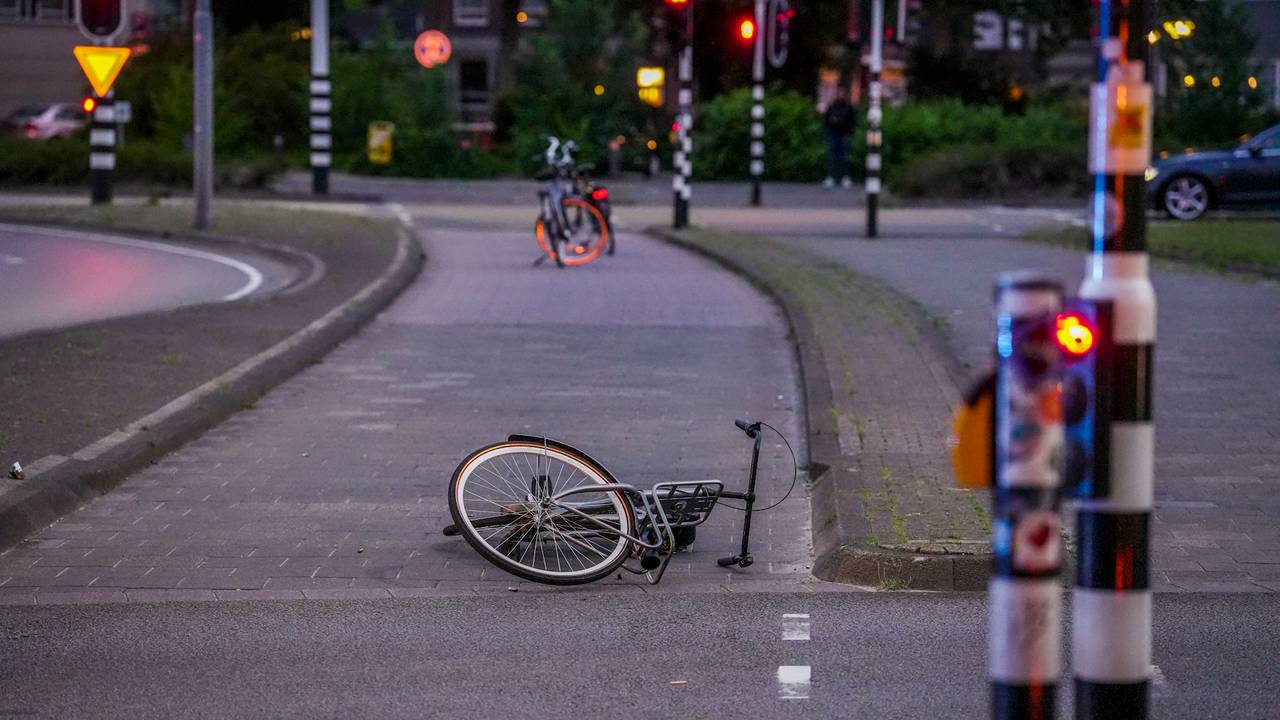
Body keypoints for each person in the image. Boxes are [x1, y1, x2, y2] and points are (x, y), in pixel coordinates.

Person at [822, 86, 856, 189]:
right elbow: (826, 120)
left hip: (844, 135)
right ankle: (831, 177)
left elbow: (852, 121)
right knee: (832, 157)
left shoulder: (848, 107)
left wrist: (847, 129)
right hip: (833, 134)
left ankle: (845, 177)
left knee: (844, 157)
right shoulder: (832, 107)